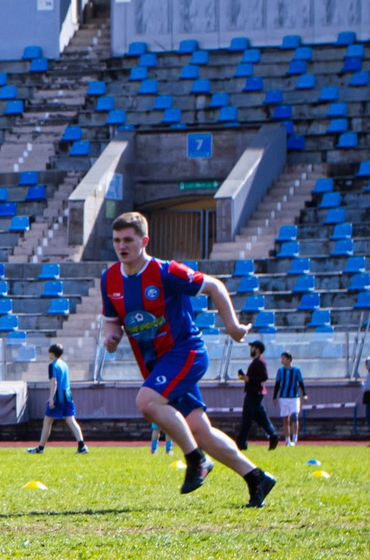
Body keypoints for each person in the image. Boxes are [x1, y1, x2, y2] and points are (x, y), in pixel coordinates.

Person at [97, 209, 277, 505]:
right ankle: (256, 477)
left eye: (128, 239)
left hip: (186, 353)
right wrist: (111, 336)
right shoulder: (110, 279)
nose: (121, 246)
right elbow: (111, 319)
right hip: (157, 364)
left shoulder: (166, 271)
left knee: (146, 401)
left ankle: (196, 461)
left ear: (144, 240)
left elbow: (215, 286)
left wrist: (232, 327)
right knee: (199, 429)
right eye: (116, 240)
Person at [27, 343, 87, 454]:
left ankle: (40, 448)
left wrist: (51, 398)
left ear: (51, 353)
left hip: (58, 398)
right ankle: (82, 445)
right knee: (71, 420)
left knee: (47, 421)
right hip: (68, 396)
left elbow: (54, 382)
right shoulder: (64, 365)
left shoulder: (52, 365)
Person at [236, 341, 278, 450]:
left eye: (253, 348)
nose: (251, 350)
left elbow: (264, 377)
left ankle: (241, 442)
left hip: (254, 393)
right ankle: (272, 435)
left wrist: (249, 379)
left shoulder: (259, 362)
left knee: (247, 418)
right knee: (259, 417)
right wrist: (246, 378)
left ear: (257, 349)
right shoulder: (257, 362)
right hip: (255, 392)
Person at [271, 349, 306, 446]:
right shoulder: (280, 371)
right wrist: (274, 396)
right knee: (286, 419)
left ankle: (295, 438)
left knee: (294, 416)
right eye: (282, 359)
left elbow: (301, 382)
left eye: (284, 358)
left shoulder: (296, 370)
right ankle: (287, 440)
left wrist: (304, 393)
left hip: (294, 397)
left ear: (289, 359)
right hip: (283, 397)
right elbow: (277, 384)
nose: (282, 361)